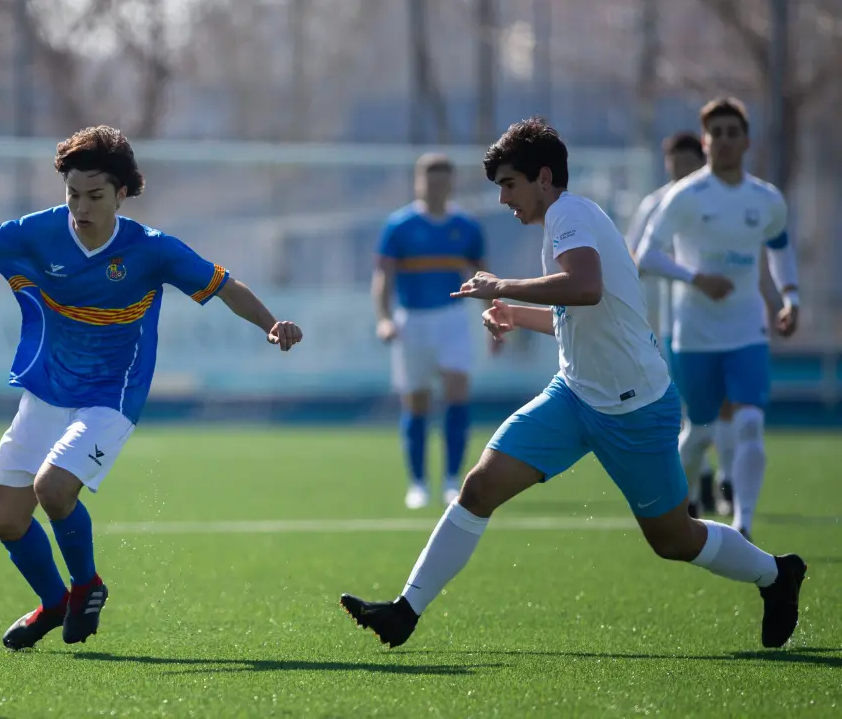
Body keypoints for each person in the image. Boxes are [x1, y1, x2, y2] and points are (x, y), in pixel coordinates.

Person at [339, 117, 805, 651]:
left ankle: (776, 574)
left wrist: (502, 286)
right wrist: (516, 313)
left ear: (543, 177)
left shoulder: (569, 213)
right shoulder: (563, 221)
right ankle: (405, 611)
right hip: (574, 394)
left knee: (673, 538)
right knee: (480, 487)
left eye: (509, 185)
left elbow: (585, 287)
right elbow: (578, 308)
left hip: (634, 408)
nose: (503, 199)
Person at [0, 124, 303, 651]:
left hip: (111, 397)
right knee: (5, 521)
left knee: (53, 488)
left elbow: (225, 287)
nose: (81, 207)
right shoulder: (40, 232)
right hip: (47, 390)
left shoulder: (151, 250)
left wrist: (270, 323)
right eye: (72, 194)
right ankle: (54, 603)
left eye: (95, 196)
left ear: (121, 194)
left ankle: (87, 586)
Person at [635, 98, 801, 541]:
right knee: (701, 430)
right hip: (694, 333)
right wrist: (696, 278)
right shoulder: (684, 196)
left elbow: (780, 249)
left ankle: (742, 522)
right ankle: (680, 500)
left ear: (747, 141)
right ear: (705, 142)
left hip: (748, 330)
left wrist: (790, 297)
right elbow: (646, 256)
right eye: (717, 133)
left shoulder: (766, 199)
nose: (725, 140)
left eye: (733, 132)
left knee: (749, 423)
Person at [373, 154, 491, 509]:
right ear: (418, 183)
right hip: (412, 321)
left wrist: (493, 316)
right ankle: (418, 484)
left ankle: (453, 480)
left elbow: (484, 276)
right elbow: (383, 277)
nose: (436, 187)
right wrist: (384, 318)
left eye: (442, 181)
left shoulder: (466, 226)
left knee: (457, 392)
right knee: (417, 401)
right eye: (429, 180)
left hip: (453, 319)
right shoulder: (399, 226)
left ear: (451, 183)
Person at [625, 131, 731, 518]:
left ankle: (726, 484)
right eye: (675, 164)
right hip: (671, 322)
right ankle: (701, 484)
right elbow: (634, 257)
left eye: (689, 163)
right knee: (686, 406)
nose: (682, 171)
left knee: (727, 406)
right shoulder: (655, 204)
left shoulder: (718, 200)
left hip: (722, 319)